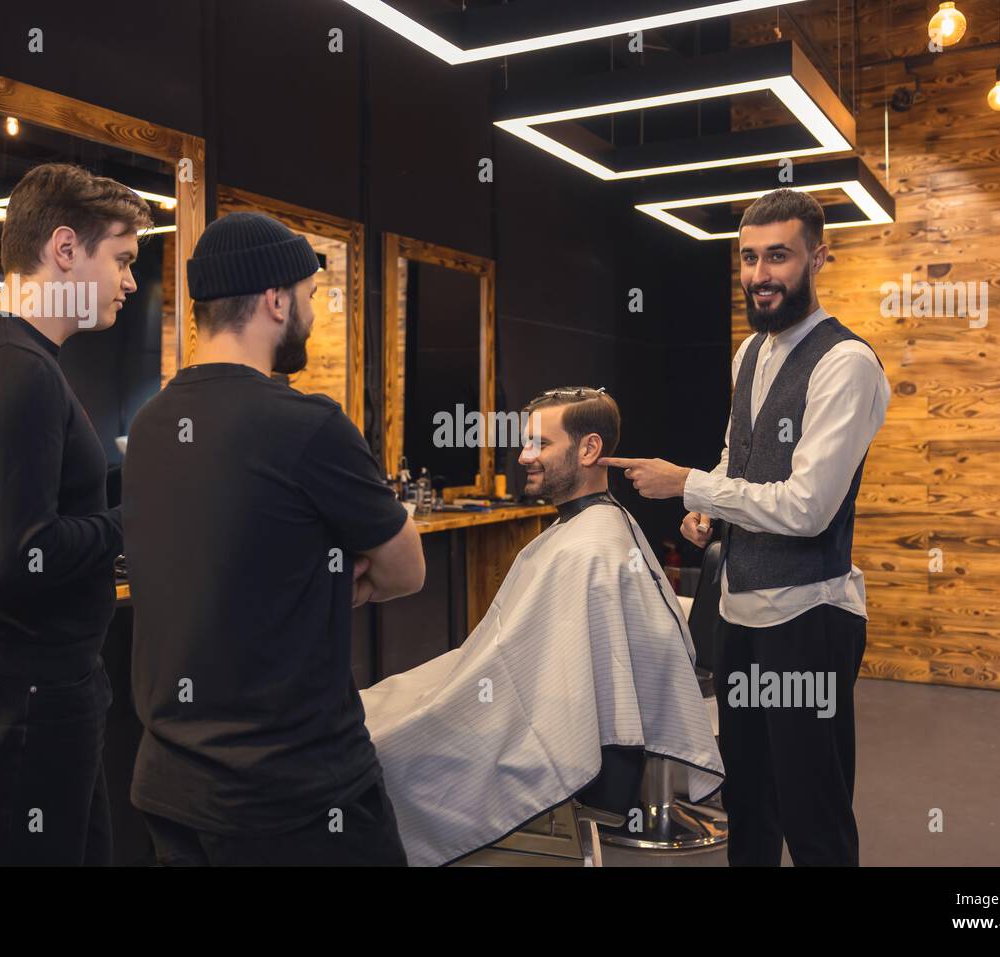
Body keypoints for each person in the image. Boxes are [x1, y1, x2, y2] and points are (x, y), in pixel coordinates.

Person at [598, 189, 891, 866]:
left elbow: (809, 506)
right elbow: (743, 456)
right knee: (749, 805)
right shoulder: (749, 357)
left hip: (810, 617)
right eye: (749, 257)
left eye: (778, 256)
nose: (760, 273)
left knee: (812, 812)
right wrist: (711, 505)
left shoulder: (847, 364)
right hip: (740, 611)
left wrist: (688, 484)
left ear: (819, 256)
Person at [123, 211, 425, 866]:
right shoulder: (308, 424)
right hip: (293, 796)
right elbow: (408, 569)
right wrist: (348, 581)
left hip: (171, 786)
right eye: (311, 297)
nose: (313, 316)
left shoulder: (149, 426)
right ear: (275, 298)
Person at [361, 387, 723, 866]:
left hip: (531, 715)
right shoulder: (588, 532)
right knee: (384, 709)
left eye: (540, 444)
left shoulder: (589, 547)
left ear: (589, 449)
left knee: (378, 741)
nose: (525, 456)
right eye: (525, 442)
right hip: (514, 692)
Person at [0, 162, 151, 864]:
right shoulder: (10, 367)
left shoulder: (12, 356)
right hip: (16, 700)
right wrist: (133, 519)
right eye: (124, 259)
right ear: (66, 248)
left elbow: (40, 507)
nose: (130, 283)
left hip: (34, 690)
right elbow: (16, 555)